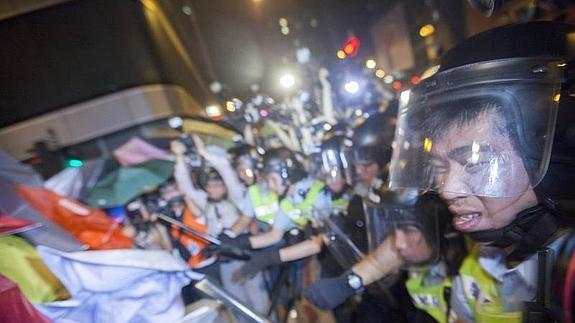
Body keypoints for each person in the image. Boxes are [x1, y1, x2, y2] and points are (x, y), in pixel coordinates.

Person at [387, 21, 575, 321]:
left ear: (556, 152)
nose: (448, 190)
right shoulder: (482, 255)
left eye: (473, 162)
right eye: (438, 167)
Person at [303, 192, 465, 323]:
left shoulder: (474, 273)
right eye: (395, 230)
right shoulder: (411, 251)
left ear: (439, 233)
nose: (397, 243)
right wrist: (344, 284)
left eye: (409, 230)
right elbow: (376, 262)